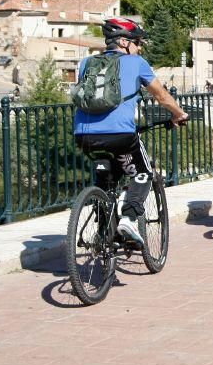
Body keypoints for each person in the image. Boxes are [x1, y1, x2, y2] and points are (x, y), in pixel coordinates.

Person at [74, 18, 189, 246]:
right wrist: (179, 114)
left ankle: (103, 229)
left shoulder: (87, 62)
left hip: (83, 135)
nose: (140, 47)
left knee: (106, 178)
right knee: (142, 172)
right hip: (121, 136)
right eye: (137, 41)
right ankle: (129, 218)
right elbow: (161, 96)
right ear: (124, 42)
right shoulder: (137, 63)